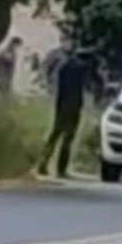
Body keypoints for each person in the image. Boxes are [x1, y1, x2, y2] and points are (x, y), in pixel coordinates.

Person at [38, 46, 98, 178]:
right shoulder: (82, 68)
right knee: (68, 138)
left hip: (61, 103)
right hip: (73, 105)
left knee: (55, 134)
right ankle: (61, 169)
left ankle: (42, 164)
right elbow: (92, 83)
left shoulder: (64, 65)